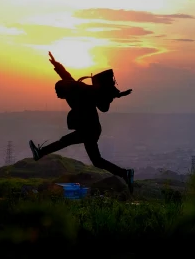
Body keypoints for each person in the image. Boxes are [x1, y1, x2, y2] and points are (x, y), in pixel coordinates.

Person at [28, 52, 135, 194]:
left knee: (65, 141)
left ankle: (40, 153)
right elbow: (65, 75)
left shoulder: (81, 90)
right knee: (96, 160)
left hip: (90, 129)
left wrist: (118, 94)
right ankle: (125, 173)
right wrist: (56, 64)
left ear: (64, 89)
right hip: (90, 129)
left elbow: (97, 93)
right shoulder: (71, 86)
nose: (56, 94)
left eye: (57, 91)